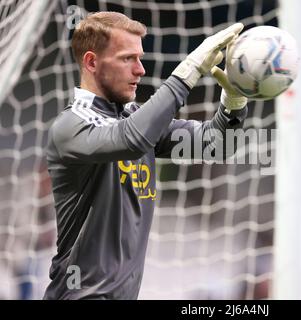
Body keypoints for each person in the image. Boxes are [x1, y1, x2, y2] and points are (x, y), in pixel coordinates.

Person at [43, 11, 248, 300]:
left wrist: (234, 103)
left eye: (139, 58)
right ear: (91, 62)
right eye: (128, 59)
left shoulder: (135, 120)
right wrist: (188, 70)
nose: (140, 69)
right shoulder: (70, 127)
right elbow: (131, 139)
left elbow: (217, 144)